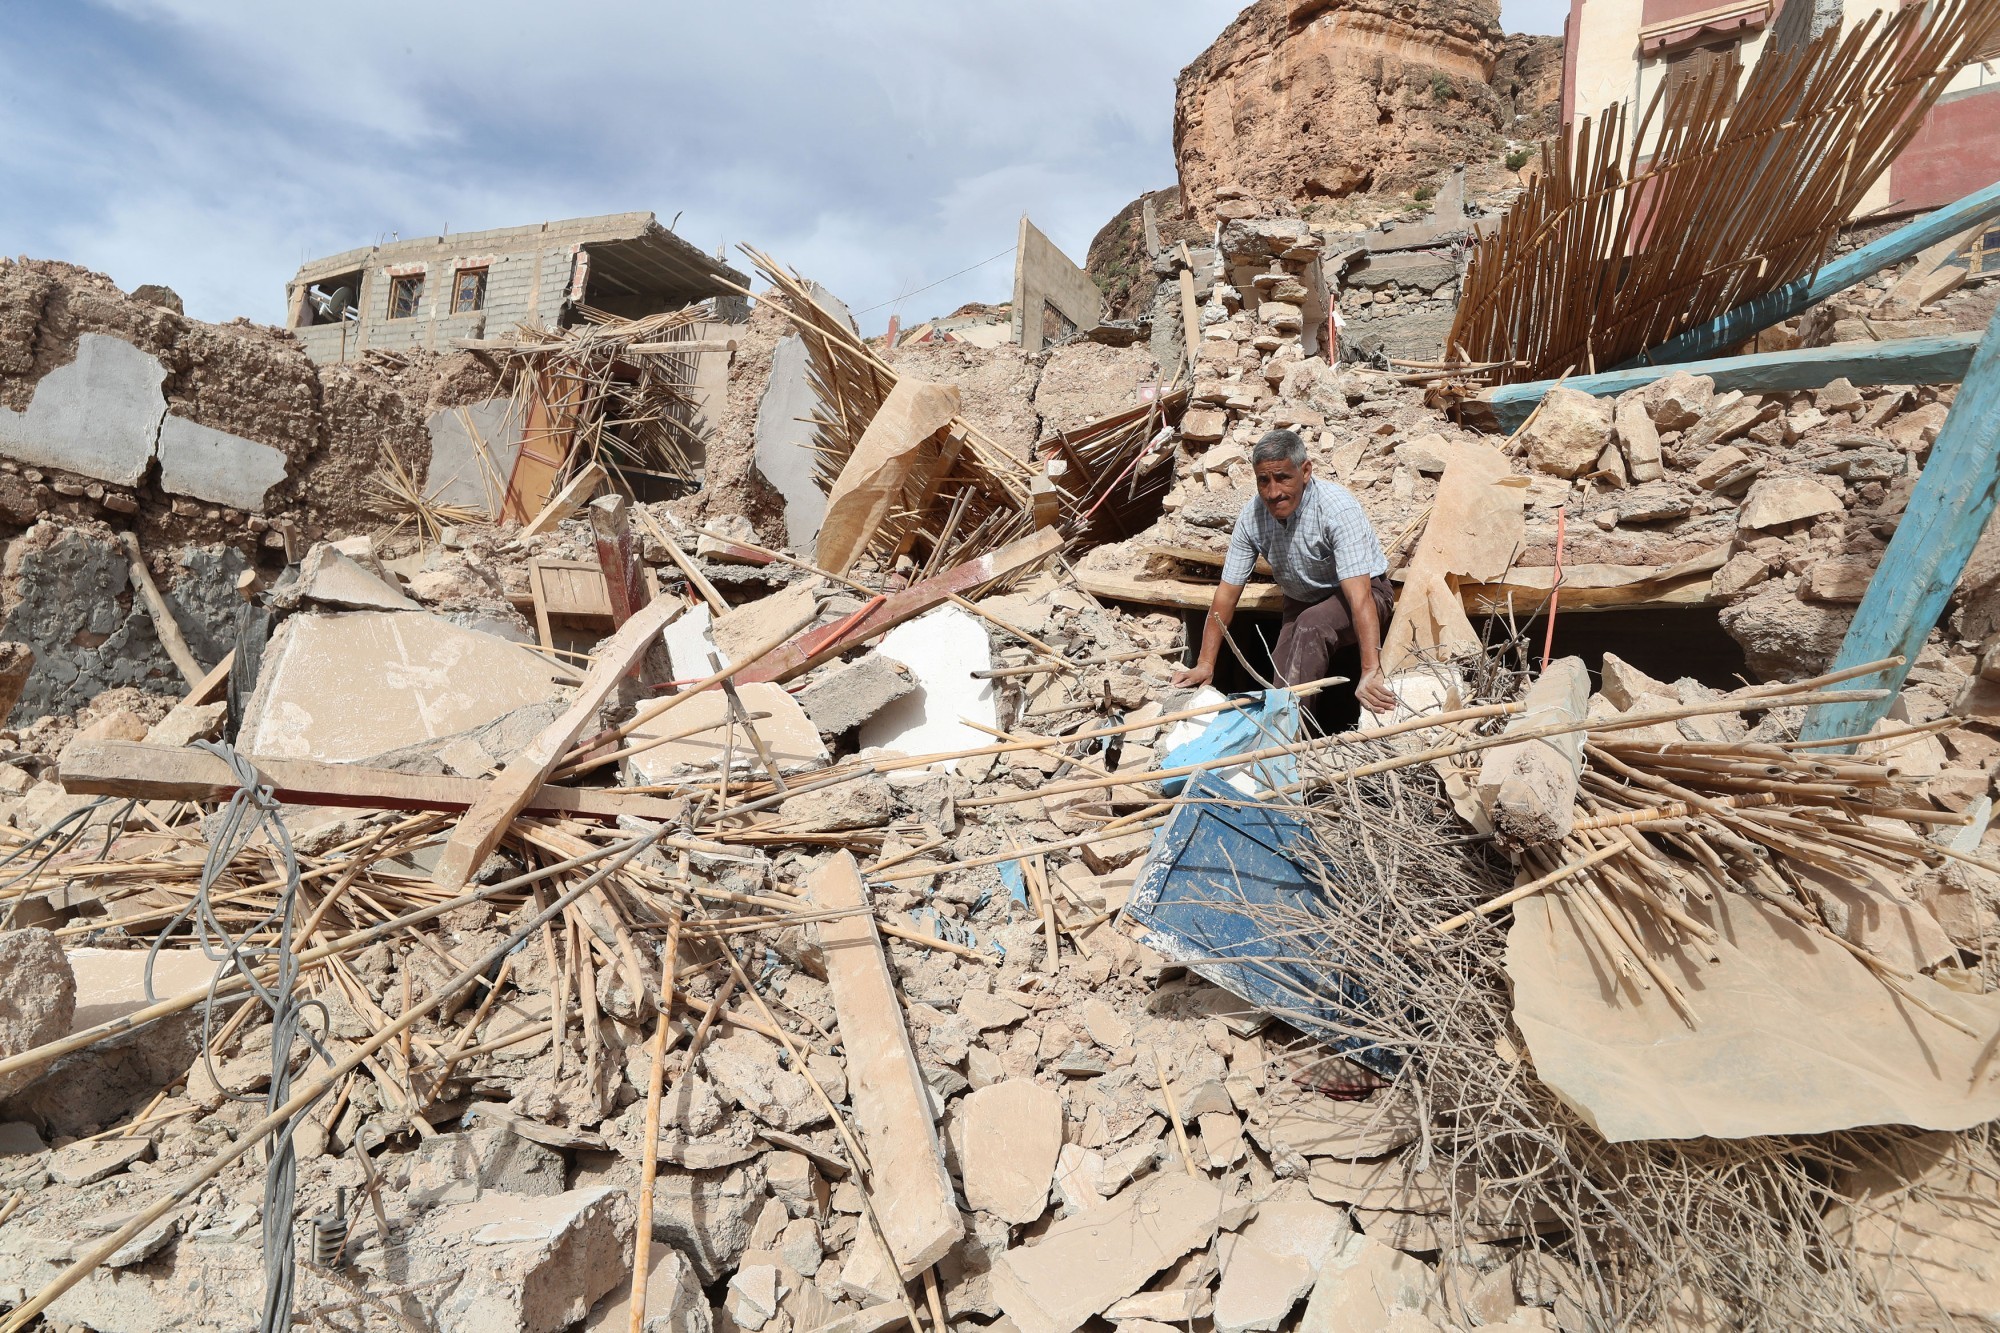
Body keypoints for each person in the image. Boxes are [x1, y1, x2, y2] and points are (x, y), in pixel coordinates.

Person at [1172, 429, 1398, 717]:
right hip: (1301, 600)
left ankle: (1290, 739)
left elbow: (1360, 597)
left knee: (1311, 625)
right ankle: (1283, 731)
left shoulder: (1336, 509)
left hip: (1366, 596)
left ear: (1305, 472)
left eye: (1283, 478)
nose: (1273, 492)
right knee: (1282, 677)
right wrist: (1205, 663)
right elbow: (1227, 595)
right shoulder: (1252, 518)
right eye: (1263, 481)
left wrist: (1370, 670)